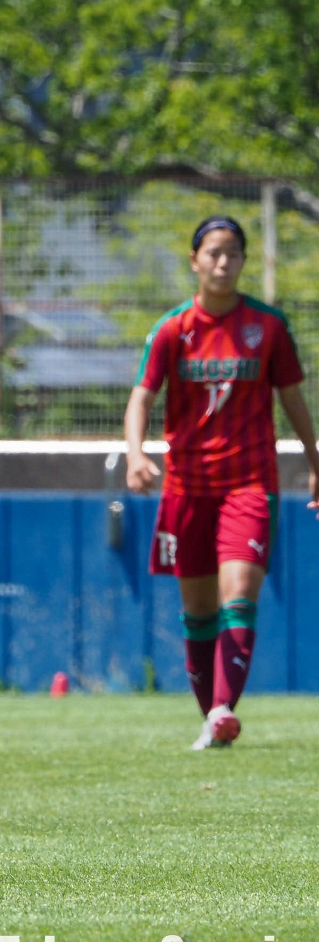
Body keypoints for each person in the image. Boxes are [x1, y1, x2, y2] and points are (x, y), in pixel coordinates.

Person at [124, 215, 319, 750]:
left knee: (240, 593)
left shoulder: (268, 327)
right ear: (194, 261)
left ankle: (221, 710)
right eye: (213, 252)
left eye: (233, 253)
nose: (223, 262)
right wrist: (136, 454)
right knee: (199, 610)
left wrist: (315, 461)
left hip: (249, 484)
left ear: (243, 261)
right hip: (187, 487)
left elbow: (293, 399)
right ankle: (212, 719)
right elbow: (141, 397)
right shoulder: (172, 329)